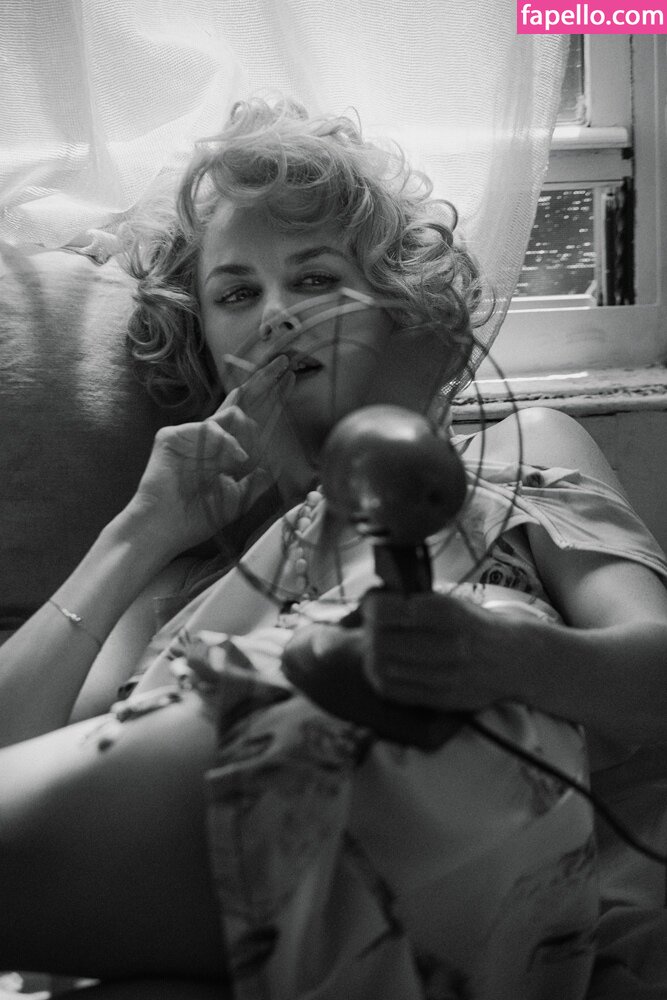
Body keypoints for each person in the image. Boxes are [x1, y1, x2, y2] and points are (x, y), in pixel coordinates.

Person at [1, 98, 667, 1000]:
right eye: (237, 294)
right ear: (206, 340)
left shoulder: (515, 452)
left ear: (394, 308)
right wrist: (136, 533)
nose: (278, 316)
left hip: (454, 814)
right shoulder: (177, 570)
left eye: (313, 279)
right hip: (220, 887)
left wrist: (505, 656)